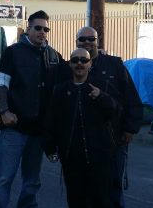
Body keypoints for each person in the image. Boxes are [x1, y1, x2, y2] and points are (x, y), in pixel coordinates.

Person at [0, 10, 64, 208]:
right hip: (14, 128)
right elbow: (1, 83)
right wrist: (4, 112)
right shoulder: (13, 52)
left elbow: (73, 73)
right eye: (38, 28)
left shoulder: (53, 56)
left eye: (45, 29)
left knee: (32, 181)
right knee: (5, 178)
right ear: (28, 28)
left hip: (39, 131)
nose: (42, 32)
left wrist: (94, 55)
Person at [43, 48, 122, 208]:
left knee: (101, 201)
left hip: (99, 158)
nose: (79, 63)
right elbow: (51, 121)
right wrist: (50, 148)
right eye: (75, 60)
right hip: (71, 159)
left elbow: (116, 111)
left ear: (90, 64)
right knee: (76, 200)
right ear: (70, 64)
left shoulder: (100, 86)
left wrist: (102, 96)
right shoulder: (60, 90)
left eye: (84, 60)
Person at [75, 26, 143, 208]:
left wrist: (130, 129)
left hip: (114, 138)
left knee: (113, 186)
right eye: (83, 39)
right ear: (76, 42)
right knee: (85, 188)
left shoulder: (114, 65)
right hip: (84, 140)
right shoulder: (73, 65)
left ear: (98, 41)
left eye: (91, 39)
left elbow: (132, 98)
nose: (87, 43)